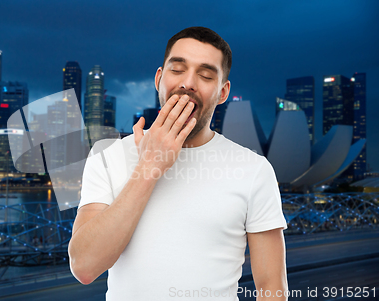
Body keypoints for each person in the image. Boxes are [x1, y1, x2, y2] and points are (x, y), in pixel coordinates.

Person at [69, 26, 288, 300]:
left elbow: (272, 288)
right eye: (177, 69)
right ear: (159, 79)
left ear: (222, 92)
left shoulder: (254, 170)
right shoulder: (107, 155)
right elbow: (84, 267)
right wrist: (149, 166)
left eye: (206, 75)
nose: (189, 83)